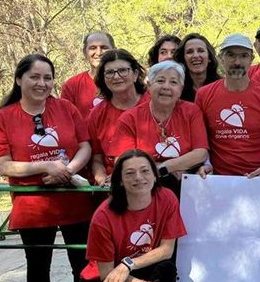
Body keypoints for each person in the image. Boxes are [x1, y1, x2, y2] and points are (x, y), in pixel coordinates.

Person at [0, 54, 94, 282]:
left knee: (81, 262)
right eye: (34, 77)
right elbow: (4, 165)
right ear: (19, 79)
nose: (42, 83)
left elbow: (85, 146)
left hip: (73, 200)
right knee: (37, 264)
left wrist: (66, 171)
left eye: (47, 78)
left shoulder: (67, 108)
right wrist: (46, 167)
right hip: (33, 205)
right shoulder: (2, 118)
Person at [87, 149, 183, 282]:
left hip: (136, 266)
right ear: (120, 180)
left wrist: (127, 264)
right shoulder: (103, 216)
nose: (139, 178)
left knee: (167, 269)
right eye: (130, 173)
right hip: (109, 275)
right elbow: (107, 274)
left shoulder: (167, 198)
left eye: (145, 171)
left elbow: (167, 250)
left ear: (155, 176)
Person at [113, 61, 208, 196]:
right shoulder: (130, 118)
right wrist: (168, 170)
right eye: (160, 81)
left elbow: (200, 153)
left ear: (181, 89)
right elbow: (123, 161)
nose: (166, 87)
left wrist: (165, 167)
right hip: (143, 189)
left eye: (173, 82)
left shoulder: (191, 111)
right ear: (149, 86)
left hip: (186, 187)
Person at [195, 34, 260, 177]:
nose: (237, 61)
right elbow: (202, 140)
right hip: (217, 178)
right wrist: (207, 165)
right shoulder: (204, 95)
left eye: (244, 56)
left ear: (251, 59)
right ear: (221, 57)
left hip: (257, 178)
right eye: (230, 55)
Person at [88, 49, 149, 185]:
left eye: (122, 70)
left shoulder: (153, 103)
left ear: (135, 74)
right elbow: (96, 159)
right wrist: (102, 178)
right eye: (110, 73)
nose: (116, 77)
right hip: (114, 187)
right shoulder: (97, 114)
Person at [59, 31, 114, 119]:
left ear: (114, 50)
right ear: (85, 52)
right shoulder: (72, 86)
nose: (99, 52)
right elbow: (66, 121)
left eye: (104, 47)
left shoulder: (125, 82)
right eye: (93, 48)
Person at [174, 33, 220, 102]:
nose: (195, 55)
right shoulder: (176, 89)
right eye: (189, 52)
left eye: (200, 51)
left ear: (209, 57)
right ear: (183, 59)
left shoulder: (222, 87)